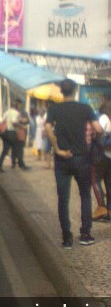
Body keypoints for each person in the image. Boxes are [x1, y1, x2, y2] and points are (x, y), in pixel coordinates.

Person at [45, 79, 103, 249]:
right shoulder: (84, 108)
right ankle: (85, 234)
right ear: (75, 90)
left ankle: (67, 238)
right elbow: (98, 129)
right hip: (81, 158)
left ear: (61, 91)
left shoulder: (54, 108)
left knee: (63, 199)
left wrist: (57, 148)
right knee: (85, 196)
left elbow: (48, 128)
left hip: (62, 158)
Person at [0, 99, 25, 171]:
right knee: (17, 147)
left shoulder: (6, 112)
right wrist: (21, 126)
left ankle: (0, 164)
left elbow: (3, 121)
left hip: (5, 132)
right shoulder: (16, 113)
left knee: (5, 149)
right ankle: (18, 163)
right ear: (16, 106)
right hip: (12, 132)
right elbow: (14, 122)